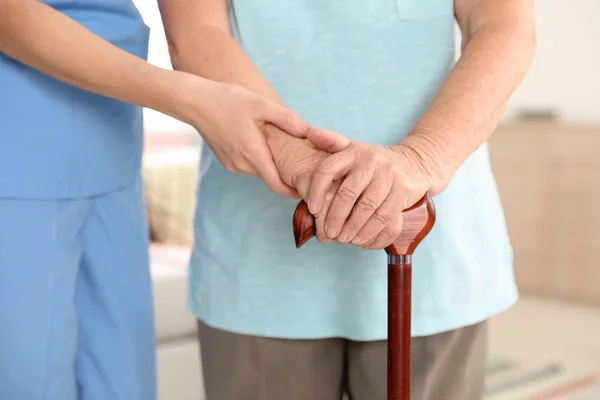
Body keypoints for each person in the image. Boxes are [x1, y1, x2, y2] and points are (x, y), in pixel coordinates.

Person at [158, 0, 536, 399]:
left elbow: (504, 25)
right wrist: (298, 160)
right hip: (256, 266)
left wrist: (419, 159)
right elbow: (196, 33)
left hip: (431, 260)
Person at [0, 1, 313, 399]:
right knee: (26, 383)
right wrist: (192, 100)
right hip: (16, 145)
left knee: (123, 385)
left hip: (111, 141)